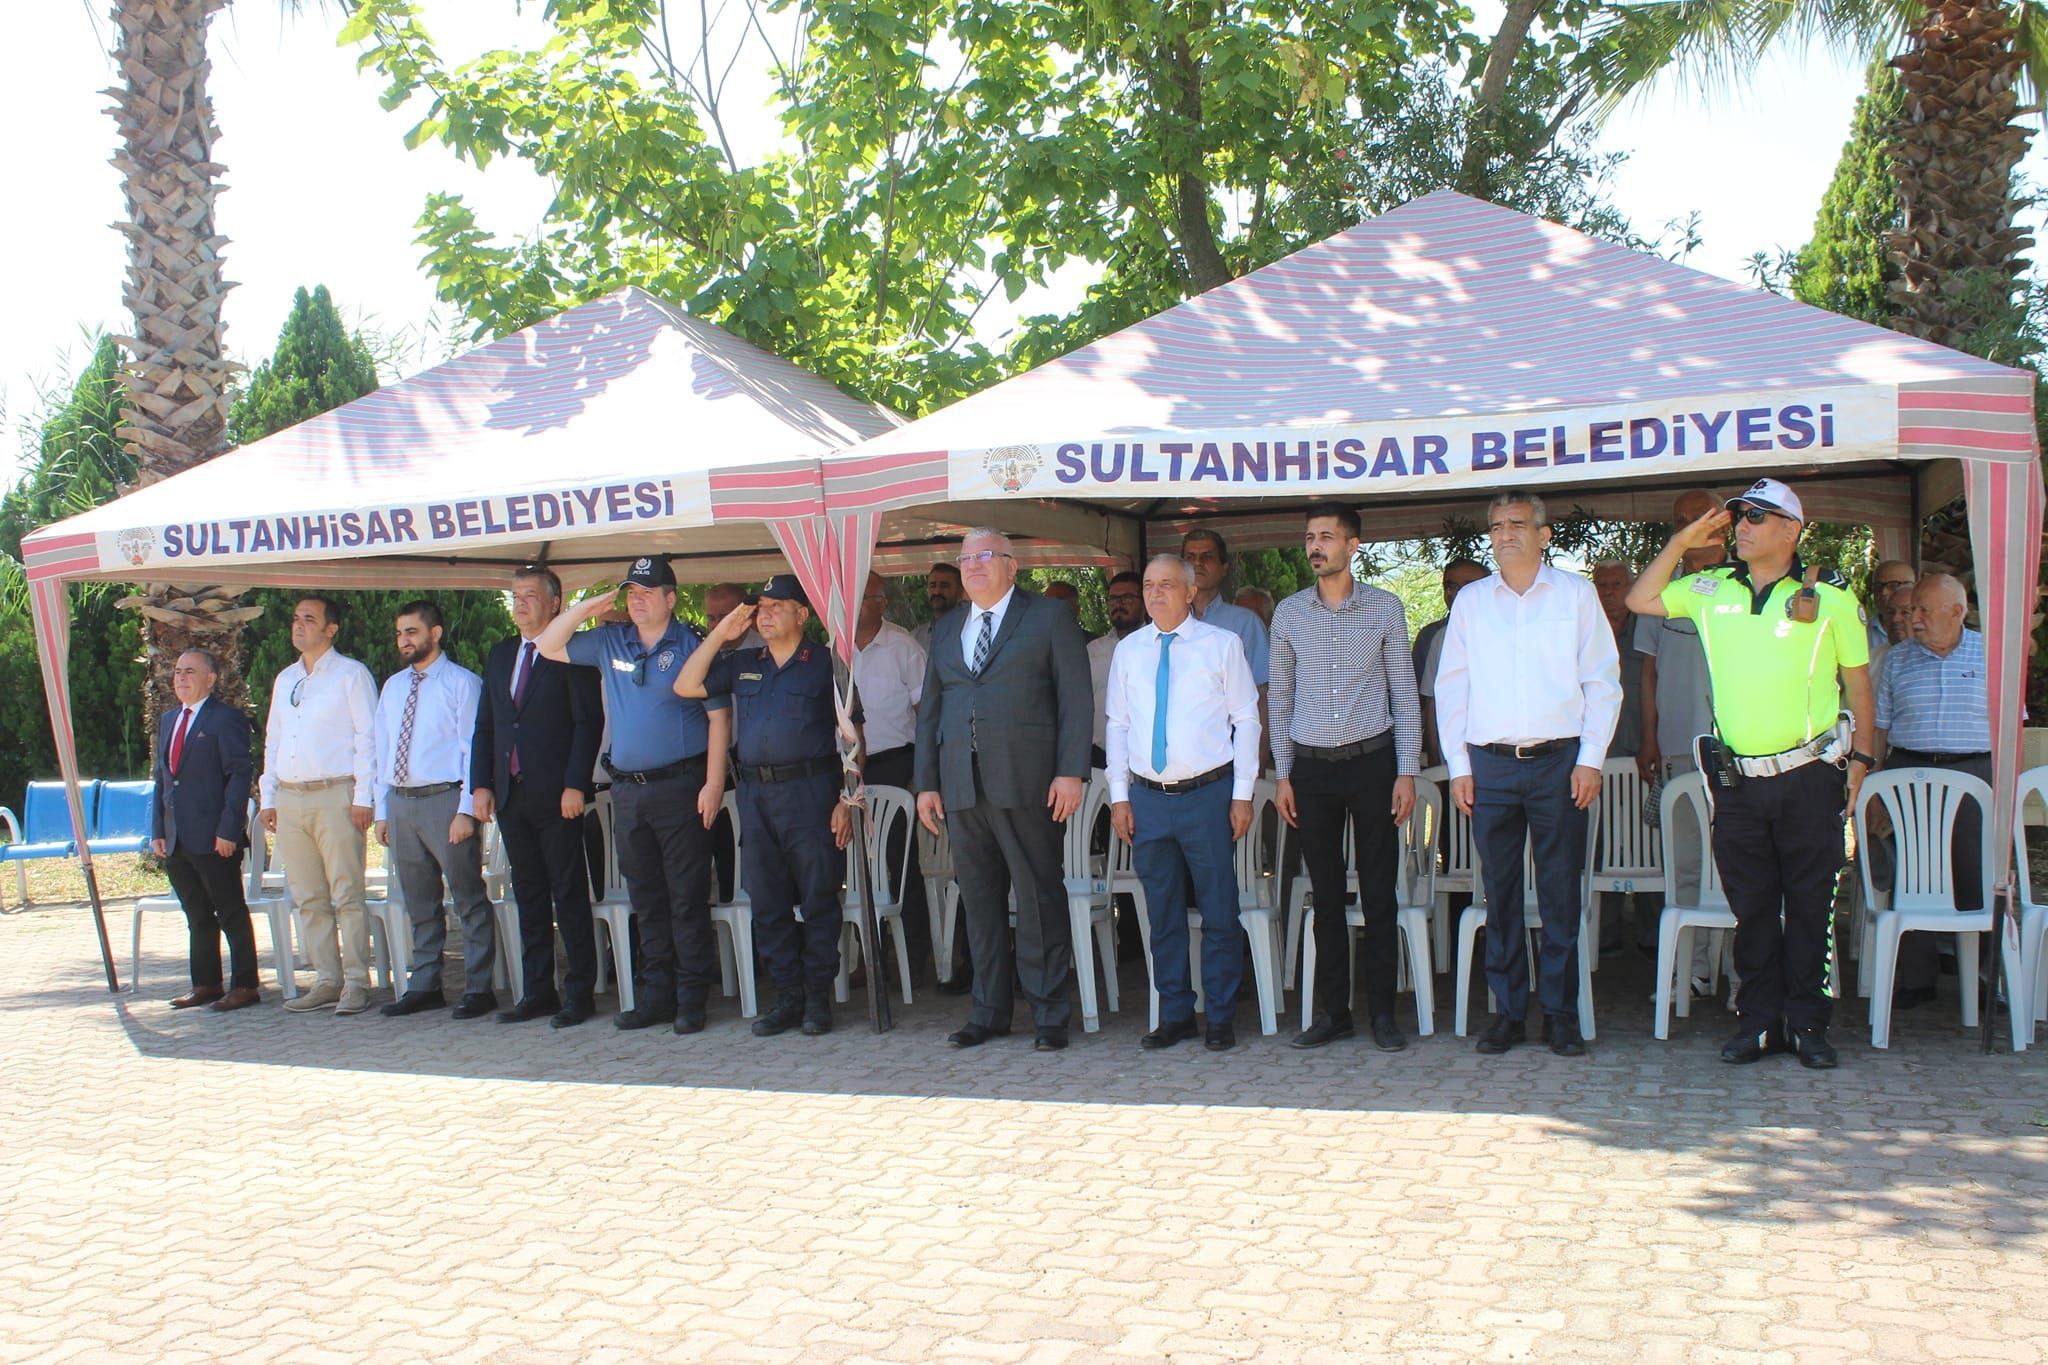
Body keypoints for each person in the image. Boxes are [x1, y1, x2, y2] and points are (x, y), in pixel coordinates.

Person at [1627, 477, 1874, 1070]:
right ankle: (1759, 1022)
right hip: (1737, 780)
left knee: (1811, 904)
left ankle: (1807, 1024)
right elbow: (1641, 598)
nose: (1742, 526)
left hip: (1811, 774)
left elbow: (1860, 684)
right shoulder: (1709, 588)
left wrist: (1863, 759)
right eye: (1738, 517)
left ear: (1791, 529)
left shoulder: (1830, 598)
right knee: (1753, 906)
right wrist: (1687, 536)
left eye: (1757, 518)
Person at [1437, 490, 1620, 1059]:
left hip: (1560, 762)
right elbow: (1452, 687)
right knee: (1501, 892)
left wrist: (1591, 758)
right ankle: (1509, 1012)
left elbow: (1601, 681)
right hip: (1489, 764)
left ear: (1544, 535)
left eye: (1519, 523)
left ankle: (1561, 1014)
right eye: (1497, 525)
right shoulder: (1471, 601)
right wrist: (1459, 766)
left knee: (1562, 891)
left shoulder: (1576, 594)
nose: (1506, 533)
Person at [537, 555, 732, 1034]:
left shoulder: (693, 645)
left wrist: (713, 782)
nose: (637, 599)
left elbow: (717, 718)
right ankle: (656, 996)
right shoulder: (610, 640)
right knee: (646, 897)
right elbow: (546, 645)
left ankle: (690, 1000)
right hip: (629, 790)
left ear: (671, 597)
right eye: (631, 591)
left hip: (681, 787)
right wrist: (586, 608)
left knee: (685, 897)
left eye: (648, 591)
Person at [914, 528, 1093, 1052]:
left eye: (984, 556)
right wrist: (926, 782)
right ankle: (988, 1010)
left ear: (1012, 566)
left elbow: (1075, 700)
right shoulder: (946, 629)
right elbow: (930, 711)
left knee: (1038, 896)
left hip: (1029, 781)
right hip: (960, 783)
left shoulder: (1048, 617)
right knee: (979, 899)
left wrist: (1070, 771)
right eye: (965, 558)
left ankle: (1048, 1013)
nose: (972, 566)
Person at [1269, 504, 1420, 1052]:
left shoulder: (1384, 607)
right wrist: (1283, 773)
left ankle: (1383, 1013)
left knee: (1380, 892)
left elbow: (1403, 692)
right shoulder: (1287, 613)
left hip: (1373, 762)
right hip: (1310, 767)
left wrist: (1407, 771)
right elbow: (1280, 695)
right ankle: (1335, 1012)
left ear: (1353, 545)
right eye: (1309, 537)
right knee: (1325, 895)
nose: (1315, 546)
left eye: (1326, 537)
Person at [678, 575, 857, 1036]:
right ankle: (788, 996)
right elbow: (686, 684)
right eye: (762, 606)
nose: (767, 612)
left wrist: (848, 800)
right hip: (757, 796)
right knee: (767, 899)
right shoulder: (742, 662)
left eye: (779, 605)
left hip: (812, 793)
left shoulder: (825, 663)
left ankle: (818, 997)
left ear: (802, 614)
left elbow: (855, 735)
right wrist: (722, 632)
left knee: (819, 897)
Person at [1106, 556, 1260, 1052]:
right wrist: (1118, 797)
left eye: (1166, 585)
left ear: (1190, 592)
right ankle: (1175, 1013)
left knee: (1219, 910)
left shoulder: (1222, 645)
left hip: (1208, 795)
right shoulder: (1129, 651)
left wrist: (1241, 794)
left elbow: (1247, 720)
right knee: (1163, 913)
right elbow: (1118, 726)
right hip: (1148, 799)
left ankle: (1219, 1015)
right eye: (1148, 585)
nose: (1154, 594)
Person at [471, 565, 604, 1028]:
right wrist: (481, 784)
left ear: (555, 603)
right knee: (528, 894)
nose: (520, 603)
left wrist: (576, 784)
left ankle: (579, 993)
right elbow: (487, 723)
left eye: (530, 595)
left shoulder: (572, 652)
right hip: (511, 795)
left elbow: (588, 723)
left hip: (557, 795)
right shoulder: (501, 654)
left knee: (568, 894)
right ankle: (537, 991)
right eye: (515, 595)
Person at [1873, 573, 1991, 1010]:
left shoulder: (1992, 652)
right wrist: (1876, 789)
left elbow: (2010, 724)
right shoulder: (1899, 659)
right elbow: (1881, 727)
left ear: (1957, 612)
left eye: (1923, 610)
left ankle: (1985, 979)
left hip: (1976, 774)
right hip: (1911, 772)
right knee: (1912, 874)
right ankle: (1917, 978)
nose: (1914, 619)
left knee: (1978, 873)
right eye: (1912, 610)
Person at [260, 596, 379, 1016]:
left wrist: (364, 796)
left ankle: (357, 982)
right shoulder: (286, 679)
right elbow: (274, 739)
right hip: (291, 797)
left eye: (309, 619)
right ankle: (326, 980)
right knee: (308, 895)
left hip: (336, 794)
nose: (298, 626)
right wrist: (269, 795)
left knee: (347, 892)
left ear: (331, 629)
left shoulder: (351, 675)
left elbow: (368, 737)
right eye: (295, 618)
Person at [376, 602, 495, 1019]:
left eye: (412, 632)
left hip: (446, 800)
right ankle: (425, 984)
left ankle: (479, 988)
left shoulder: (462, 684)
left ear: (435, 633)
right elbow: (382, 749)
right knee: (419, 901)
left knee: (467, 896)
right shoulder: (392, 687)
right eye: (399, 633)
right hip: (401, 802)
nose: (404, 640)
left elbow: (471, 750)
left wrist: (466, 810)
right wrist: (380, 810)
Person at [1634, 488, 1726, 990]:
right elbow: (1648, 672)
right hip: (1678, 753)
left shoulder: (1746, 583)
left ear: (1724, 523)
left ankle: (1740, 977)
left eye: (1699, 518)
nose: (1689, 526)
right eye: (1680, 520)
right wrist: (1649, 738)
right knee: (1687, 867)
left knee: (1739, 871)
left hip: (1740, 755)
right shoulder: (1660, 591)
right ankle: (1690, 973)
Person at [151, 647, 259, 1012]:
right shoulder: (169, 720)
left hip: (214, 836)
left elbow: (238, 775)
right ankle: (206, 983)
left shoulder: (224, 719)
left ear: (210, 679)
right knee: (196, 914)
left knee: (230, 911)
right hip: (178, 836)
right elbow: (161, 780)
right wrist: (158, 830)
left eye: (190, 671)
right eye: (178, 671)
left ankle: (245, 984)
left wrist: (229, 829)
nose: (181, 677)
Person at [851, 570, 943, 985]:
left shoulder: (903, 647)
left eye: (861, 596)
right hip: (849, 771)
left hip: (897, 766)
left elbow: (928, 716)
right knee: (856, 870)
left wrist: (922, 775)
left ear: (882, 602)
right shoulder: (834, 647)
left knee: (899, 867)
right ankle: (866, 959)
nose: (852, 604)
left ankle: (913, 958)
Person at [1411, 557, 1487, 767]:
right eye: (1450, 586)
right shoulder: (1434, 637)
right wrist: (1434, 760)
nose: (1457, 593)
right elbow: (1427, 703)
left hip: (1499, 752)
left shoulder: (1511, 631)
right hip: (1453, 756)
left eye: (1469, 586)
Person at [1180, 529, 1271, 690]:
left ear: (1224, 568)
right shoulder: (1167, 620)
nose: (1197, 563)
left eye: (1207, 556)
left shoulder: (1246, 622)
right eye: (1190, 557)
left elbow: (1261, 690)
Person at [1088, 571, 1146, 768]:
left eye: (1127, 598)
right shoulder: (1093, 650)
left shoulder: (1158, 645)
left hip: (1145, 758)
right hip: (1099, 757)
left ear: (1145, 601)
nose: (1118, 604)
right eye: (1113, 598)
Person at [1591, 560, 1644, 763]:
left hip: (1639, 740)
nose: (1609, 592)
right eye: (1602, 586)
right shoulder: (1583, 629)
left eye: (1617, 585)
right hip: (1594, 746)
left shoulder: (1646, 626)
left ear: (1630, 588)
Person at [1867, 559, 1917, 655]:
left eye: (1893, 586)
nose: (1884, 592)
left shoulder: (1931, 637)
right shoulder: (1861, 633)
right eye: (1878, 587)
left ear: (1915, 587)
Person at [1870, 582, 1916, 686]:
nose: (1895, 619)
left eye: (1905, 612)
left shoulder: (1933, 659)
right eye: (1890, 613)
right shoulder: (1871, 659)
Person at [910, 561, 964, 650]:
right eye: (932, 585)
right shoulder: (915, 638)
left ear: (960, 590)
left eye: (944, 586)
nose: (937, 591)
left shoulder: (972, 631)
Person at [705, 581, 767, 653]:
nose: (717, 625)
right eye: (711, 618)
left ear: (746, 614)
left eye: (724, 618)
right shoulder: (698, 650)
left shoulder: (767, 651)